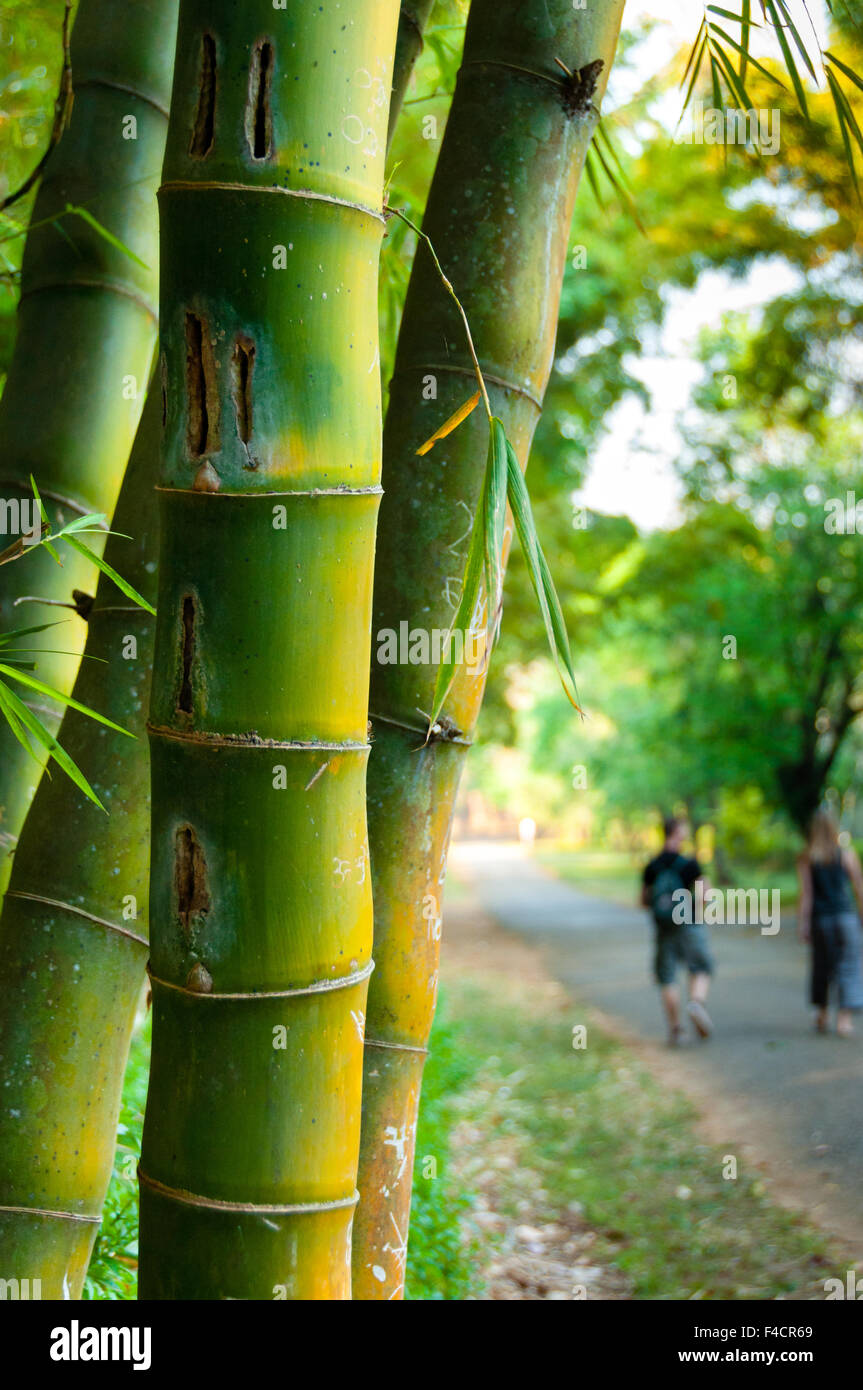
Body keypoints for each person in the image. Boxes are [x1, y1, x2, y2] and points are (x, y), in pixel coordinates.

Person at [641, 815, 714, 1046]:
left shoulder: (652, 866)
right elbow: (705, 894)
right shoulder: (689, 864)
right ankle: (696, 1003)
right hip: (689, 923)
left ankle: (676, 1030)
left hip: (664, 929)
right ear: (679, 833)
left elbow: (643, 900)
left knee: (667, 977)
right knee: (701, 967)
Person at [797, 809, 863, 1037]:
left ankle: (822, 1015)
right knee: (850, 967)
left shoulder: (808, 856)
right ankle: (844, 1021)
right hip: (846, 917)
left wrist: (803, 924)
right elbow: (858, 888)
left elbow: (806, 894)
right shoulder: (846, 854)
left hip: (821, 919)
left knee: (821, 967)